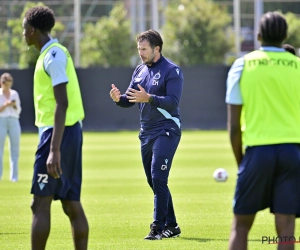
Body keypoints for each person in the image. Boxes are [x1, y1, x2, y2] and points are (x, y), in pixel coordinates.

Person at [226, 12, 300, 250]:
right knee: (287, 227)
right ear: (285, 36)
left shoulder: (242, 65)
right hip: (292, 153)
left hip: (258, 153)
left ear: (258, 36)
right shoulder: (298, 66)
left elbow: (234, 128)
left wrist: (241, 163)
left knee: (241, 227)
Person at [22, 6, 88, 250]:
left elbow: (62, 102)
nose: (23, 35)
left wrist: (54, 149)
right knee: (70, 203)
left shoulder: (53, 56)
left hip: (58, 135)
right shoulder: (51, 54)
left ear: (31, 30)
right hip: (65, 133)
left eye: (23, 30)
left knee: (40, 203)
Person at [109, 29, 184, 240]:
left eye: (144, 49)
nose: (140, 53)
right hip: (146, 132)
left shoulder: (172, 70)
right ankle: (173, 226)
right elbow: (130, 99)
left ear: (157, 49)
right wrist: (118, 99)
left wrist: (149, 98)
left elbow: (173, 102)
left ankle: (157, 228)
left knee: (159, 177)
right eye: (139, 49)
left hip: (167, 129)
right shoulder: (140, 70)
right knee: (154, 181)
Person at [0, 73, 21, 182]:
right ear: (2, 83)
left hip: (13, 120)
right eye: (6, 84)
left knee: (15, 149)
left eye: (9, 84)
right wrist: (5, 105)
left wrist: (13, 105)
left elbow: (18, 110)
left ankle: (14, 177)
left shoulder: (14, 94)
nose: (8, 87)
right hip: (1, 120)